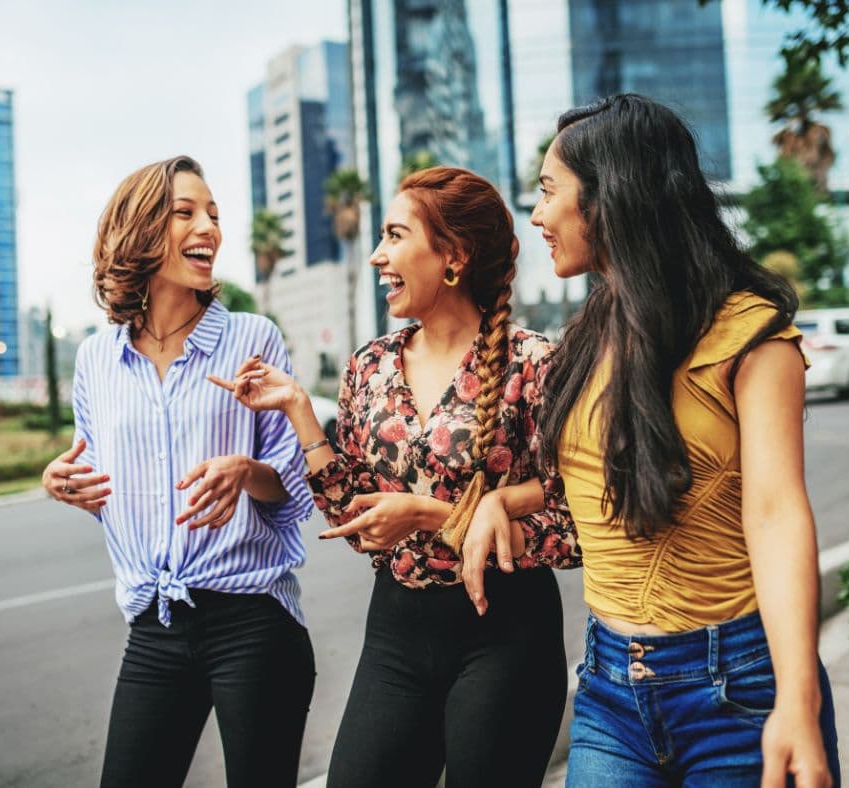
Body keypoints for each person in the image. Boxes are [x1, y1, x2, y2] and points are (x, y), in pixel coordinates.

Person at [210, 166, 580, 788]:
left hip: (507, 633)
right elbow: (355, 524)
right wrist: (301, 410)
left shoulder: (535, 363)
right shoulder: (369, 367)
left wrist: (430, 515)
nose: (379, 255)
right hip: (396, 635)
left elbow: (572, 525)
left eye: (395, 235)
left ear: (453, 256)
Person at [527, 94, 840, 787]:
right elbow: (603, 478)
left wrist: (798, 698)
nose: (538, 214)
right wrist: (501, 504)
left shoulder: (751, 336)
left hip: (740, 685)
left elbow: (776, 513)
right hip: (609, 687)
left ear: (610, 198)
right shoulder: (590, 335)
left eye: (549, 193)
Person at [40, 155, 315, 788]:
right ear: (139, 229)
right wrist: (61, 482)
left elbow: (293, 490)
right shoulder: (95, 360)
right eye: (186, 212)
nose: (209, 229)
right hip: (154, 623)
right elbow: (92, 466)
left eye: (214, 215)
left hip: (253, 623)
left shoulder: (253, 339)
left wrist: (246, 471)